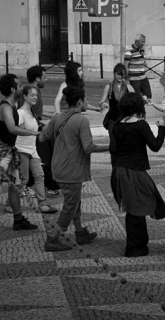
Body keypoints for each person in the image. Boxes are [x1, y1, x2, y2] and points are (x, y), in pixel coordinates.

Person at [40, 85, 110, 252]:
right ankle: (53, 238)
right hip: (71, 170)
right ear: (79, 102)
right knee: (70, 206)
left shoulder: (57, 117)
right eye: (86, 100)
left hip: (58, 167)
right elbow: (88, 147)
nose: (88, 102)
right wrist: (110, 147)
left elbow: (43, 137)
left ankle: (79, 232)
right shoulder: (81, 120)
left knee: (74, 201)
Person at [0, 74, 40, 236]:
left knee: (15, 185)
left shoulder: (12, 105)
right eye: (20, 86)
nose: (22, 87)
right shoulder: (6, 107)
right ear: (13, 89)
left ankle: (18, 219)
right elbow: (12, 129)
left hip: (8, 150)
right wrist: (33, 133)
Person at [109, 93, 165, 257]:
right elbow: (155, 146)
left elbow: (113, 150)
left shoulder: (116, 125)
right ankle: (134, 247)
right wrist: (162, 127)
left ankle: (138, 244)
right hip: (134, 171)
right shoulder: (140, 125)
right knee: (139, 206)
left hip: (119, 171)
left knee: (135, 206)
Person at [16, 85, 57, 214]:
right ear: (24, 96)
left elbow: (36, 129)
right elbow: (14, 130)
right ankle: (10, 203)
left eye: (36, 95)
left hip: (32, 149)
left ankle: (43, 204)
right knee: (24, 179)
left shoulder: (32, 112)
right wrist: (31, 133)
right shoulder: (20, 113)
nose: (35, 97)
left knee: (39, 175)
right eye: (32, 95)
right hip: (21, 149)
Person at [20, 65, 58, 197]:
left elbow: (38, 112)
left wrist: (52, 115)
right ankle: (32, 185)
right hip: (32, 132)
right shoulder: (34, 91)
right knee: (43, 158)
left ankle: (37, 186)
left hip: (32, 130)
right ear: (37, 78)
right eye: (44, 77)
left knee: (37, 159)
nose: (46, 80)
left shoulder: (28, 90)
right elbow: (34, 113)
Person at [99, 63, 135, 129]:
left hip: (125, 119)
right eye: (118, 74)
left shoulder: (129, 87)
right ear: (114, 73)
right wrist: (103, 104)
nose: (120, 76)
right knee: (113, 139)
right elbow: (101, 102)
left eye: (122, 74)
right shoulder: (108, 87)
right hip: (113, 119)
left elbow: (135, 101)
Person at [124, 33, 152, 100]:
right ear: (136, 41)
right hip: (134, 79)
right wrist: (127, 79)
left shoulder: (142, 50)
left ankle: (141, 106)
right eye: (142, 41)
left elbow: (142, 60)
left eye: (144, 41)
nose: (144, 43)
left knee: (148, 96)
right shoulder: (129, 51)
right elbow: (125, 65)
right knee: (136, 98)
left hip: (143, 77)